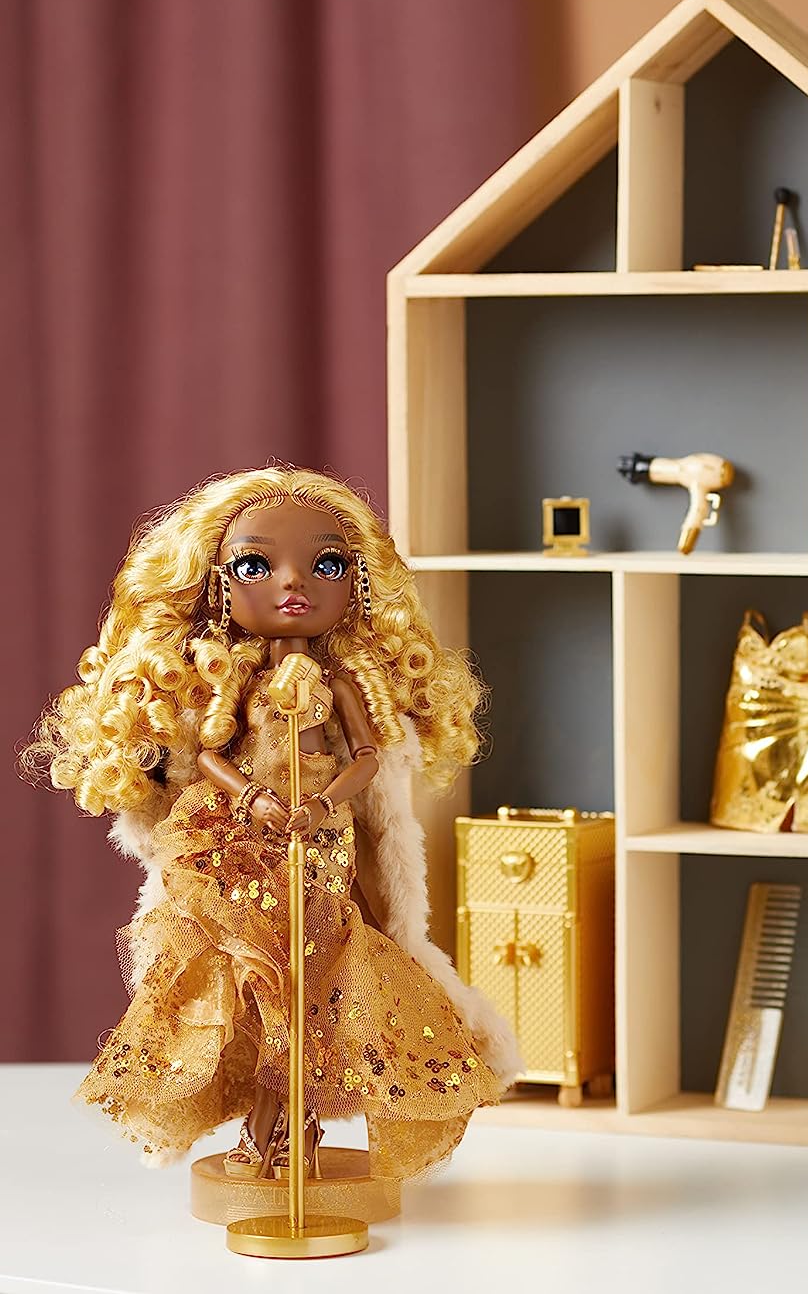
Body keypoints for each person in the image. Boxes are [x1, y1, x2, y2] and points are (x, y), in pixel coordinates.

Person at [22, 465, 521, 1179]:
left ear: (360, 586)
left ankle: (297, 1126)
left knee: (318, 985)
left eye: (327, 565)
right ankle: (268, 1128)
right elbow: (209, 755)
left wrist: (324, 802)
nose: (293, 583)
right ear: (216, 586)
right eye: (256, 565)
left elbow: (368, 758)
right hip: (244, 847)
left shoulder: (344, 684)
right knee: (255, 986)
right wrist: (253, 797)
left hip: (319, 845)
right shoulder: (235, 679)